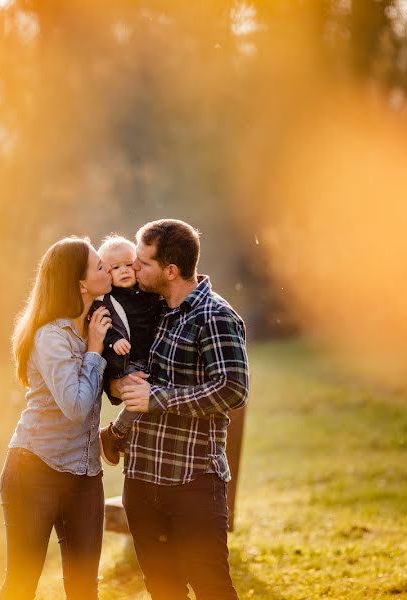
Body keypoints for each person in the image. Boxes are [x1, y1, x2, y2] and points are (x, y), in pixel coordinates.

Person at [109, 219, 250, 600]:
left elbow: (233, 389)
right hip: (141, 480)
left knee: (212, 589)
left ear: (170, 270)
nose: (133, 267)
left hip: (193, 483)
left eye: (142, 261)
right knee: (163, 590)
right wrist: (117, 383)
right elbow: (121, 369)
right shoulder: (149, 310)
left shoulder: (214, 316)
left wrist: (159, 397)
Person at [0, 236, 113, 600]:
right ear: (81, 284)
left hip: (84, 476)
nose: (107, 269)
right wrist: (94, 351)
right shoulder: (52, 336)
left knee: (84, 590)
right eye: (99, 266)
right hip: (35, 471)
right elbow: (76, 407)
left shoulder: (100, 320)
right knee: (22, 586)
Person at [92, 235, 163, 466]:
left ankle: (128, 436)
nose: (123, 271)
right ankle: (116, 433)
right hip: (126, 361)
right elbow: (103, 323)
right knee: (138, 391)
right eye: (115, 267)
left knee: (155, 393)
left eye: (128, 264)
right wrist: (113, 341)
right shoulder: (107, 300)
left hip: (149, 357)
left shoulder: (148, 293)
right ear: (106, 272)